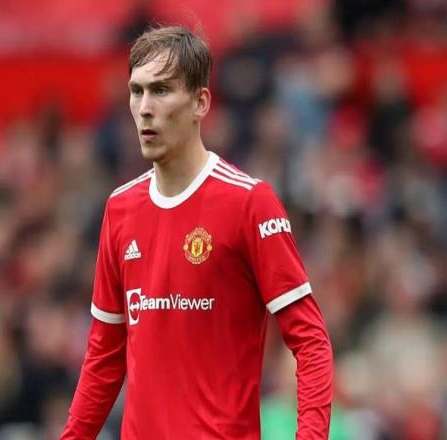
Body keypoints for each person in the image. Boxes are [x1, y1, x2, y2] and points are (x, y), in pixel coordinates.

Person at [60, 25, 333, 439]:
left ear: (200, 103)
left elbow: (310, 341)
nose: (145, 108)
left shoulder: (249, 202)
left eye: (161, 90)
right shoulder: (120, 208)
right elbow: (103, 358)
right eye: (137, 91)